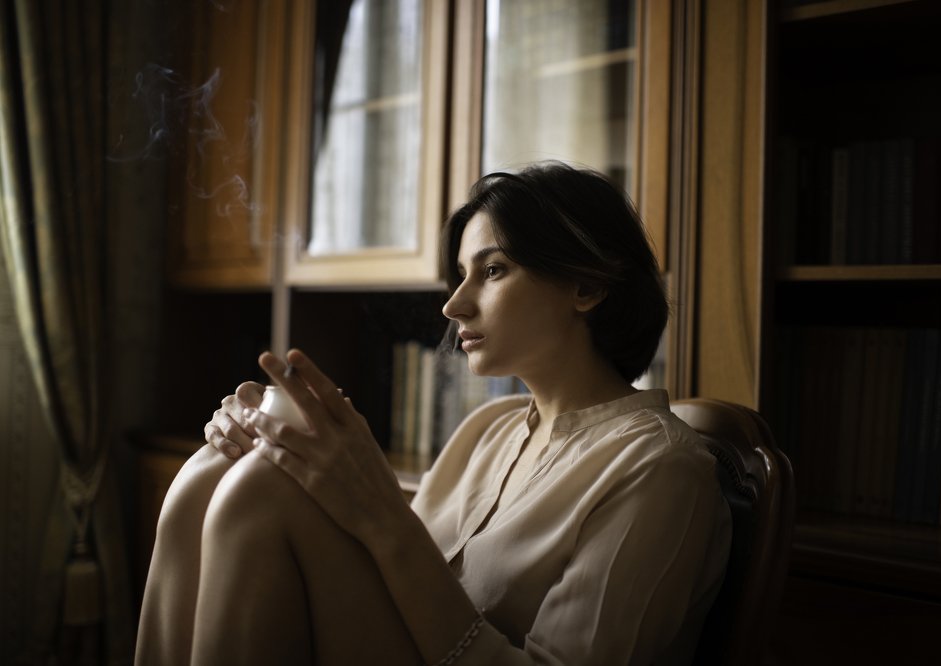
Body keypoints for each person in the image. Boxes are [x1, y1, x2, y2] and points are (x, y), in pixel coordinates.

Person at [135, 162, 732, 665]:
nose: (454, 304)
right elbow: (390, 580)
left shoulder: (660, 468)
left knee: (260, 487)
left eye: (492, 271)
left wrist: (378, 510)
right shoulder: (486, 431)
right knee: (211, 470)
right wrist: (275, 443)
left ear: (586, 287)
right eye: (460, 275)